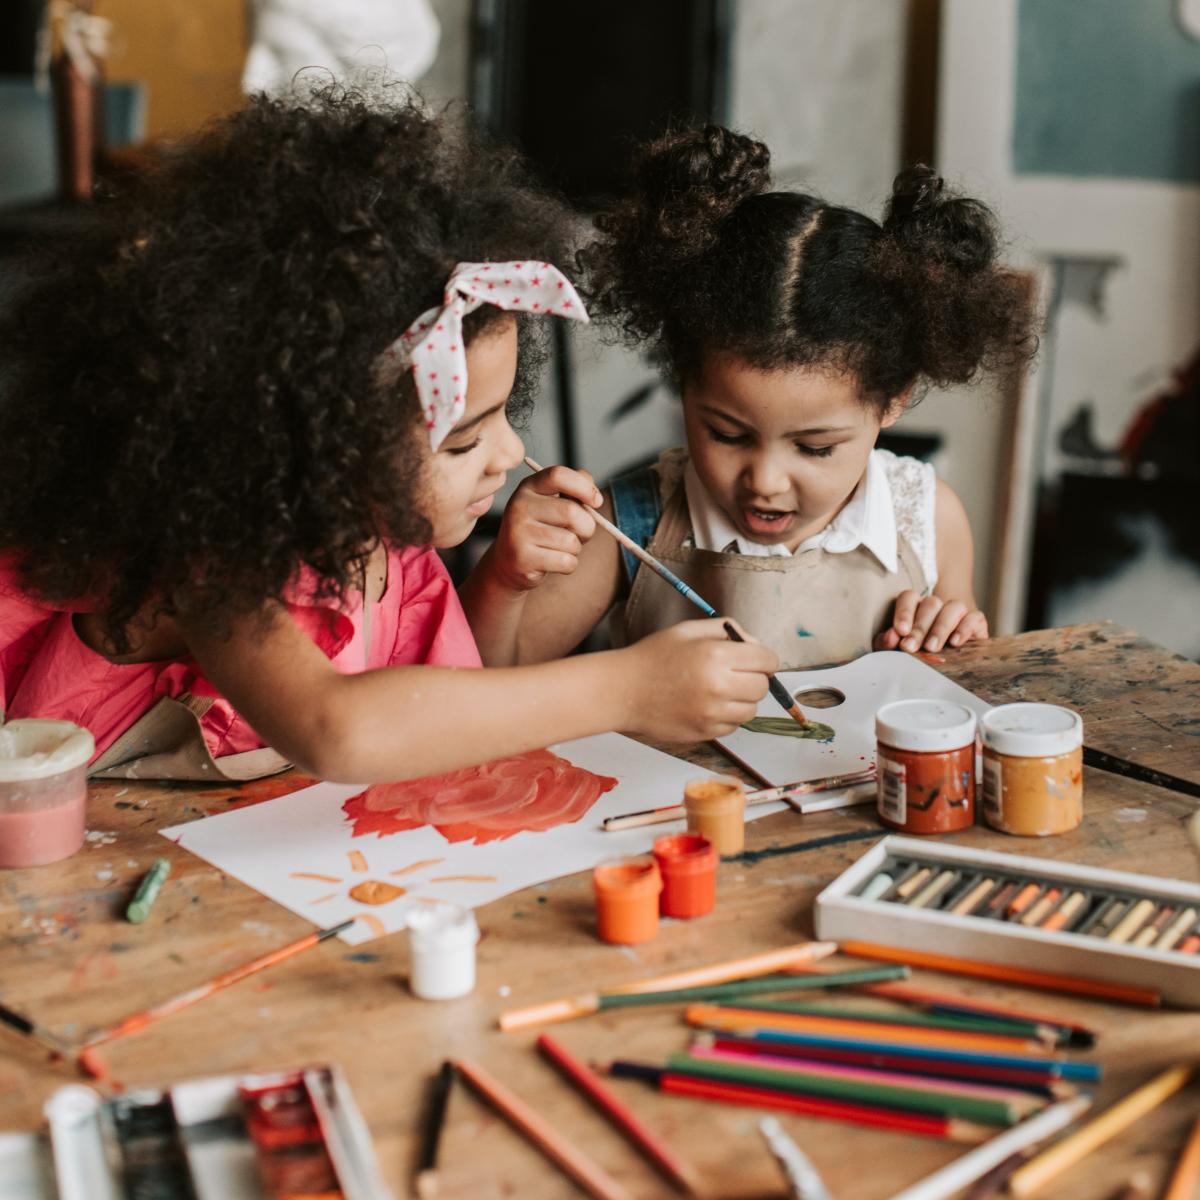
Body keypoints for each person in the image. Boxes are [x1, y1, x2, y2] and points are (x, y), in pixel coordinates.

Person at [0, 91, 776, 785]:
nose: (508, 456)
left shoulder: (378, 534)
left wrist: (503, 580)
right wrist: (626, 689)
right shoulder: (212, 564)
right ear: (321, 448)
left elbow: (432, 697)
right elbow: (340, 726)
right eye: (464, 440)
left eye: (503, 415)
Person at [466, 125, 1035, 671]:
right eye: (728, 434)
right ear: (683, 383)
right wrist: (505, 578)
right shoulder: (633, 521)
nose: (765, 480)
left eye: (814, 448)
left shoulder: (927, 518)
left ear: (893, 401)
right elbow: (482, 688)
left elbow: (956, 684)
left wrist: (951, 632)